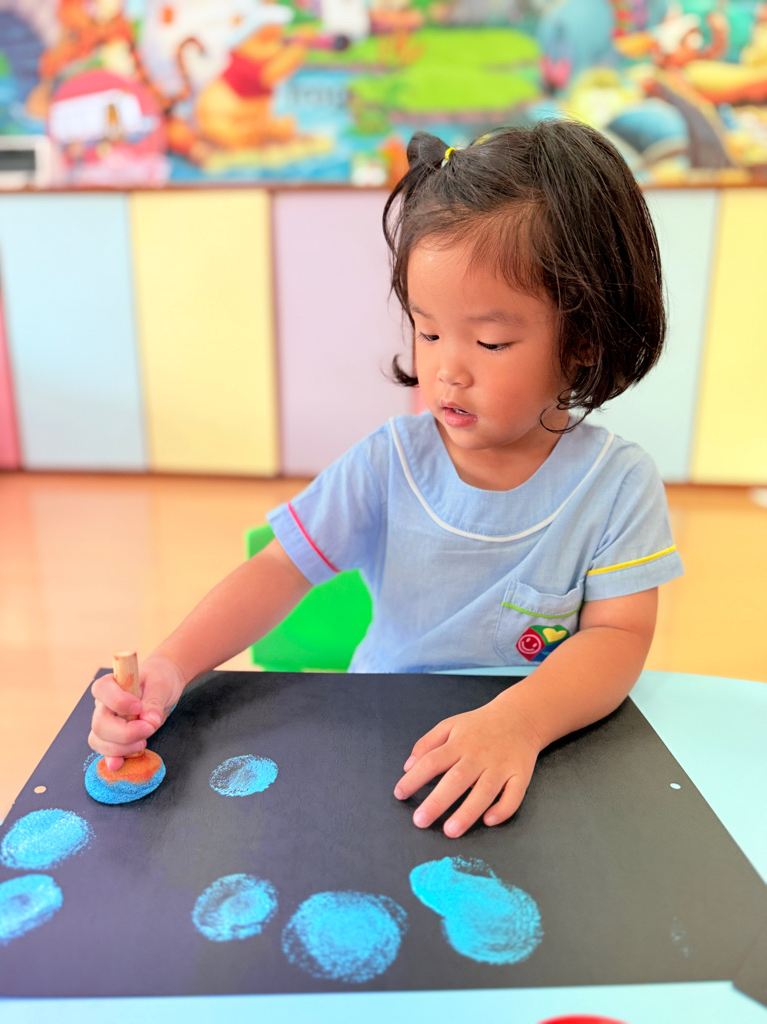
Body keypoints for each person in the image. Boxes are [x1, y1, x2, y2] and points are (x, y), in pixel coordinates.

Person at [89, 119, 683, 838]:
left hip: (541, 745)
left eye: (490, 341)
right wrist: (171, 666)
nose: (446, 369)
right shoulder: (390, 461)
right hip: (383, 742)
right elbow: (279, 568)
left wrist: (520, 722)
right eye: (427, 330)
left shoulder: (617, 485)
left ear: (584, 339)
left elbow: (618, 637)